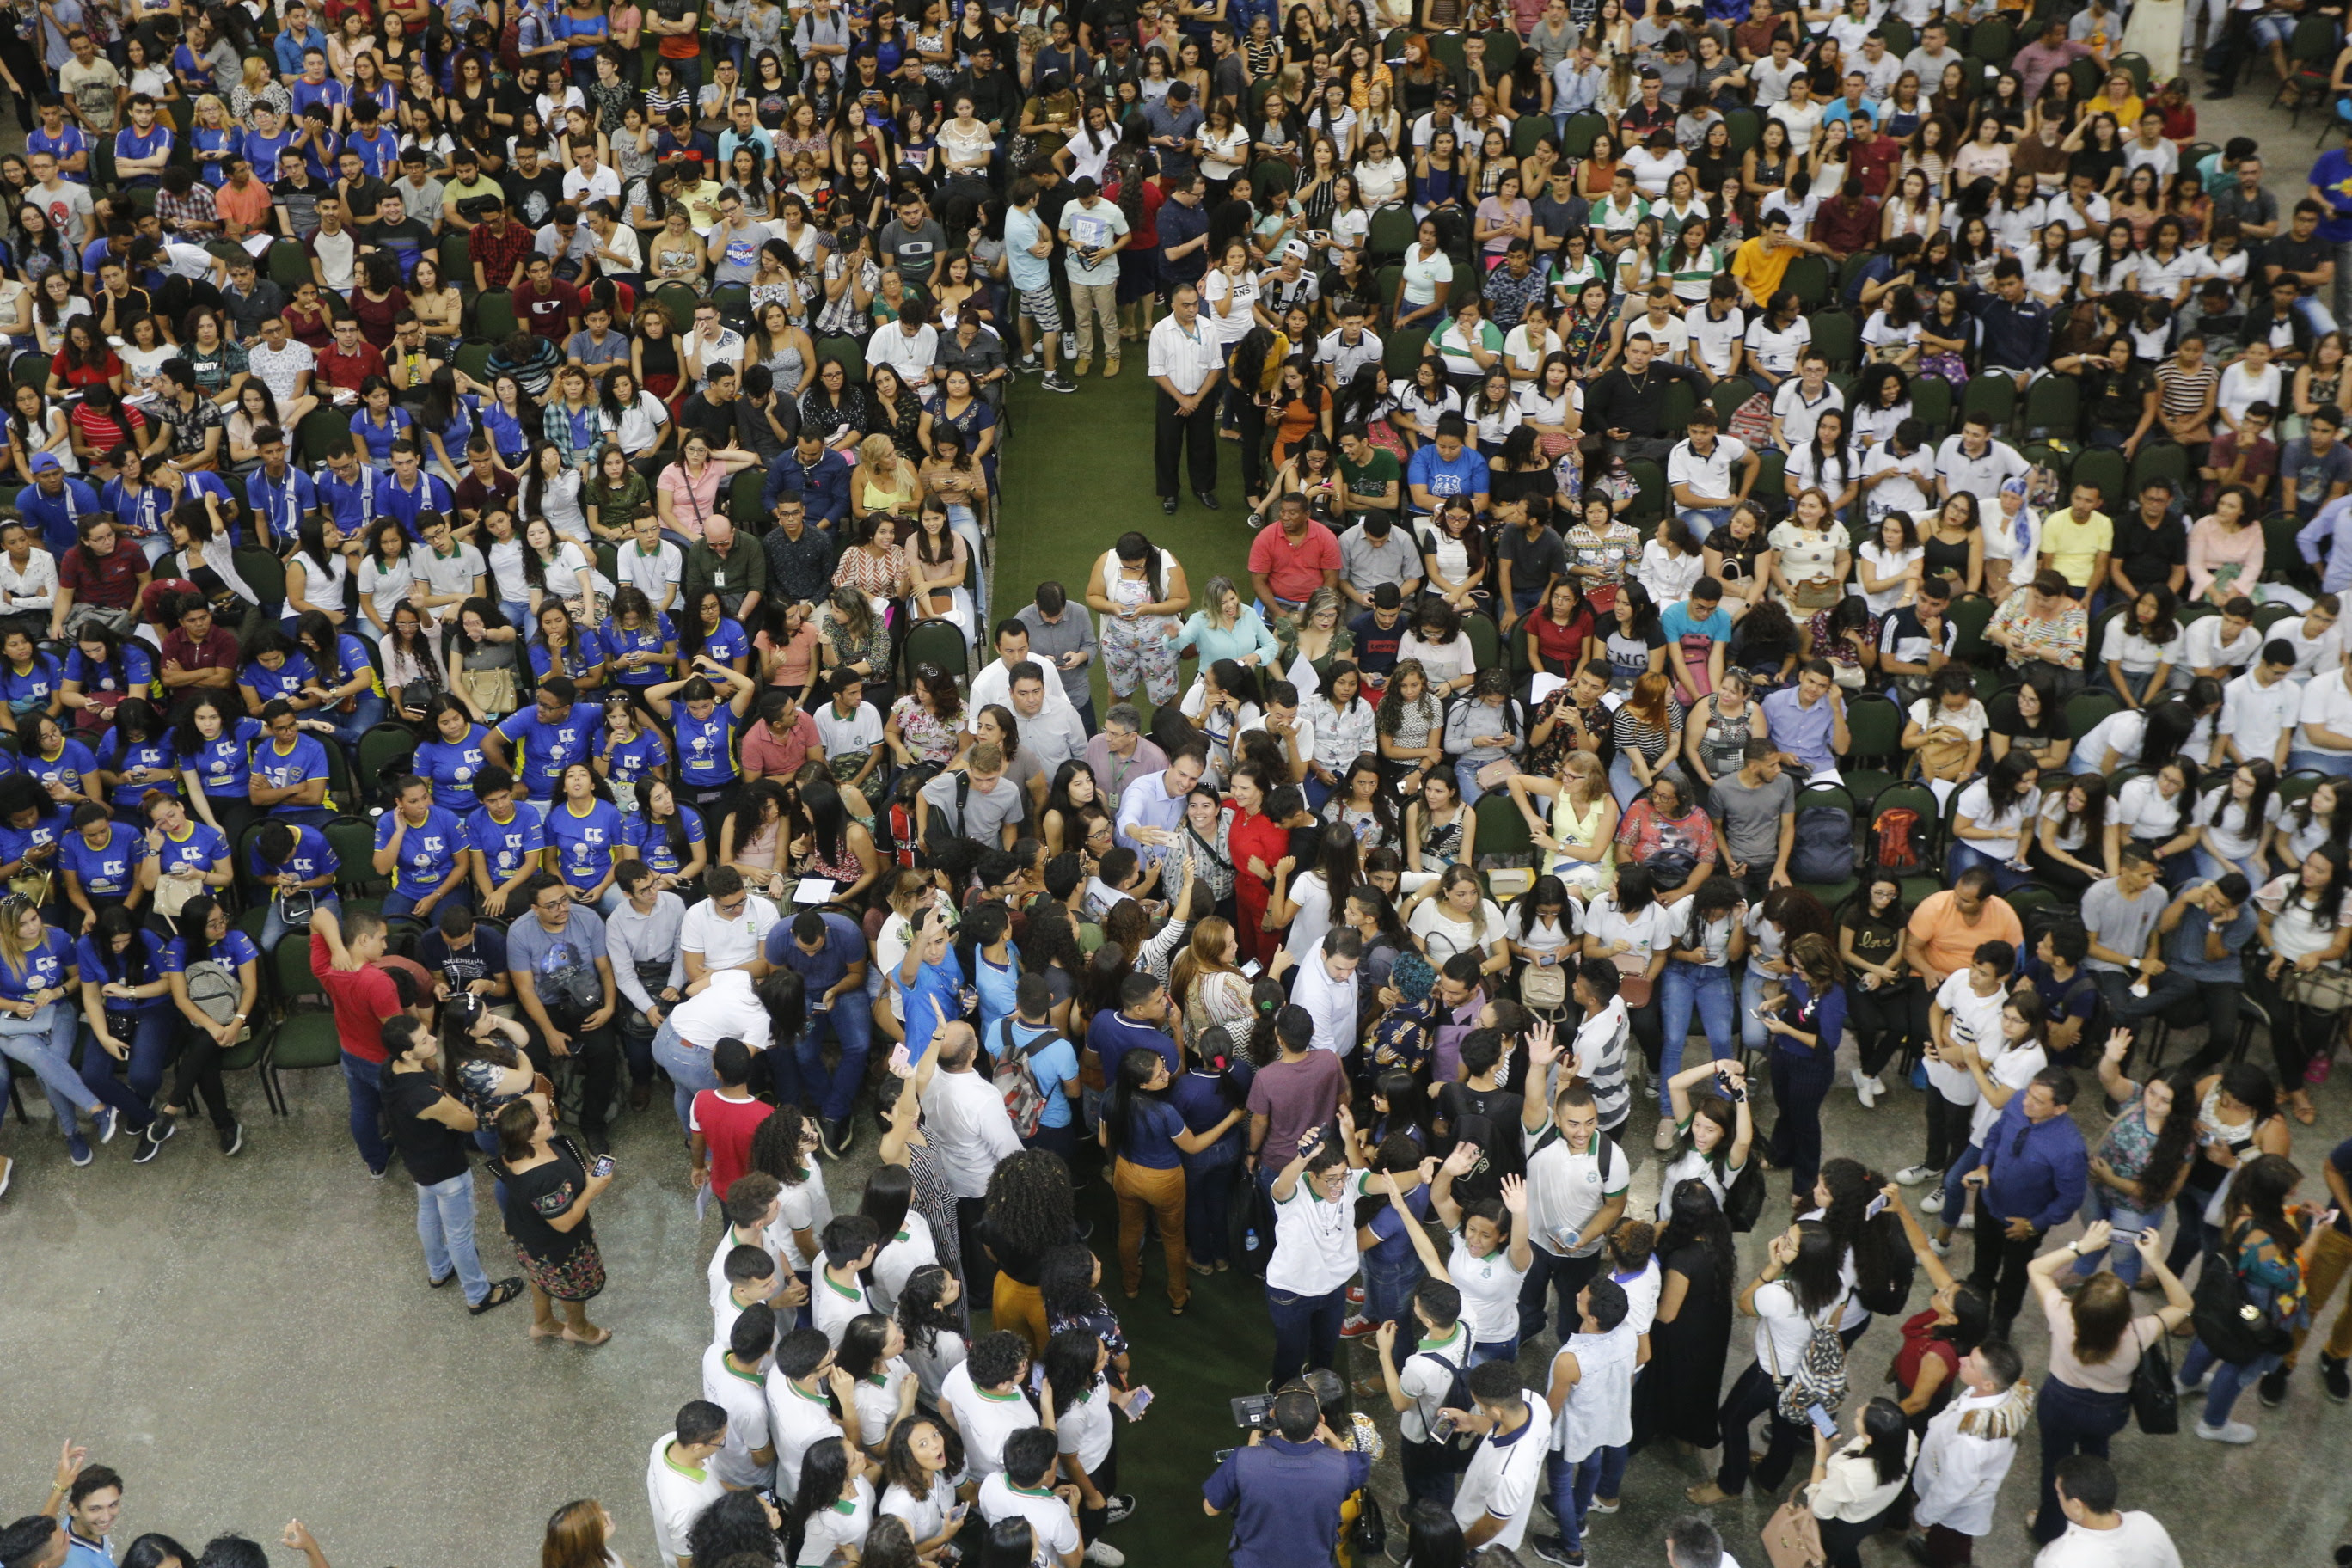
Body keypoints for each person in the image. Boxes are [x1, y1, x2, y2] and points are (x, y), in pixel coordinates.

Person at [2021, 1222, 2191, 1542]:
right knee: (2096, 1455)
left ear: (2079, 1302)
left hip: (2059, 1403)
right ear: (2126, 1313)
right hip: (2109, 1410)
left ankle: (2048, 1527)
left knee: (2054, 1467)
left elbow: (2037, 1268)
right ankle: (2091, 1520)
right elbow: (2183, 1305)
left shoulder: (2062, 1315)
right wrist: (2155, 1261)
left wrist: (2081, 1246)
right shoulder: (2140, 1333)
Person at [382, 1011, 524, 1315]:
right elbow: (468, 1122)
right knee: (460, 1234)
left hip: (418, 1162)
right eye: (424, 1040)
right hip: (447, 1169)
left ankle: (439, 1269)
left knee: (429, 1214)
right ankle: (478, 1294)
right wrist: (460, 1107)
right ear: (407, 1052)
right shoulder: (423, 1096)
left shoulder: (391, 1069)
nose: (434, 1040)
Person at [492, 1088, 614, 1344]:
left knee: (541, 1276)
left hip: (529, 1235)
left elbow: (535, 1100)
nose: (548, 1117)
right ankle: (579, 1329)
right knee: (570, 1286)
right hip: (559, 1247)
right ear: (528, 1137)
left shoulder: (513, 1147)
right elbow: (565, 1222)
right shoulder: (544, 1179)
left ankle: (544, 1322)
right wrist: (592, 1189)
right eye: (541, 1120)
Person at [1200, 1386, 1371, 1568]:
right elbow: (1358, 1463)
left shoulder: (1242, 1460)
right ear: (1320, 1420)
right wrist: (1329, 1435)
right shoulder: (1342, 1466)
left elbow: (1211, 1509)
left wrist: (1252, 1447)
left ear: (1273, 1415)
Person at [1532, 1276, 1636, 1568]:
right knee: (1592, 1465)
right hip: (1606, 1420)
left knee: (1561, 1485)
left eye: (1583, 1296)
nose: (1577, 1293)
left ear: (1592, 1317)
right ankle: (1577, 1517)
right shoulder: (1627, 1333)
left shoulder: (1571, 1359)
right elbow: (1628, 1375)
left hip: (1572, 1431)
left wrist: (1539, 1436)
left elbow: (1553, 1407)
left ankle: (1571, 1550)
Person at [1908, 1340, 2033, 1567]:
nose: (1962, 1360)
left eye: (1972, 1364)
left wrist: (1924, 1516)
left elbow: (1951, 1488)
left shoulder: (1972, 1441)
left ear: (1988, 1384)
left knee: (1947, 1552)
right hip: (1947, 1479)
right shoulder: (1992, 1394)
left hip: (1952, 1510)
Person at [2036, 1456, 2185, 1568]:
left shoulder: (2057, 1561)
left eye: (2059, 1493)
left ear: (2077, 1506)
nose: (2058, 1498)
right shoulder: (2147, 1523)